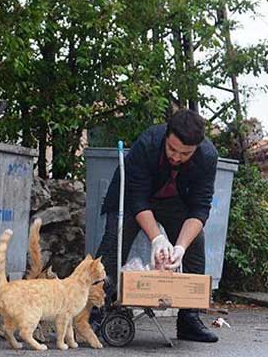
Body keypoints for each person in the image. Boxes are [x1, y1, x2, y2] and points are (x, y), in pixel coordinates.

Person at [92, 109, 219, 343]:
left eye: (185, 153)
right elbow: (137, 199)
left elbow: (200, 208)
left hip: (174, 201)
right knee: (114, 240)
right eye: (172, 150)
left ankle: (189, 319)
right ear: (166, 136)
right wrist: (157, 238)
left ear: (197, 148)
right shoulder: (147, 143)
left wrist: (179, 248)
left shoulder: (208, 156)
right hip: (131, 197)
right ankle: (94, 312)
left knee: (195, 241)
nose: (177, 157)